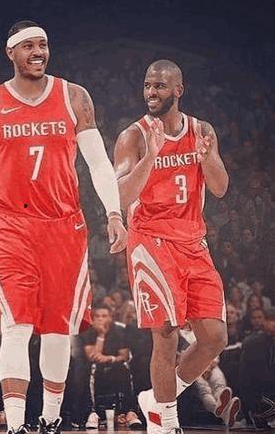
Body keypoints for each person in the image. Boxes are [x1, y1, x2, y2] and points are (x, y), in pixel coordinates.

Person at [0, 20, 126, 434]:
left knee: (57, 330)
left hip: (63, 225)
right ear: (10, 52)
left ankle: (50, 417)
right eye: (28, 46)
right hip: (9, 225)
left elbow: (98, 161)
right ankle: (16, 425)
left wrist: (114, 213)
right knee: (16, 325)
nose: (38, 52)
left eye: (43, 44)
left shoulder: (74, 96)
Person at [114, 59, 230, 433]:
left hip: (193, 241)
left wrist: (207, 159)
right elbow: (120, 195)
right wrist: (151, 156)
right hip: (151, 241)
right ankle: (166, 423)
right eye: (148, 85)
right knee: (166, 334)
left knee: (215, 338)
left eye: (160, 86)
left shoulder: (202, 130)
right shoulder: (133, 136)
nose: (151, 92)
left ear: (178, 90)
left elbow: (220, 188)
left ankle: (157, 398)